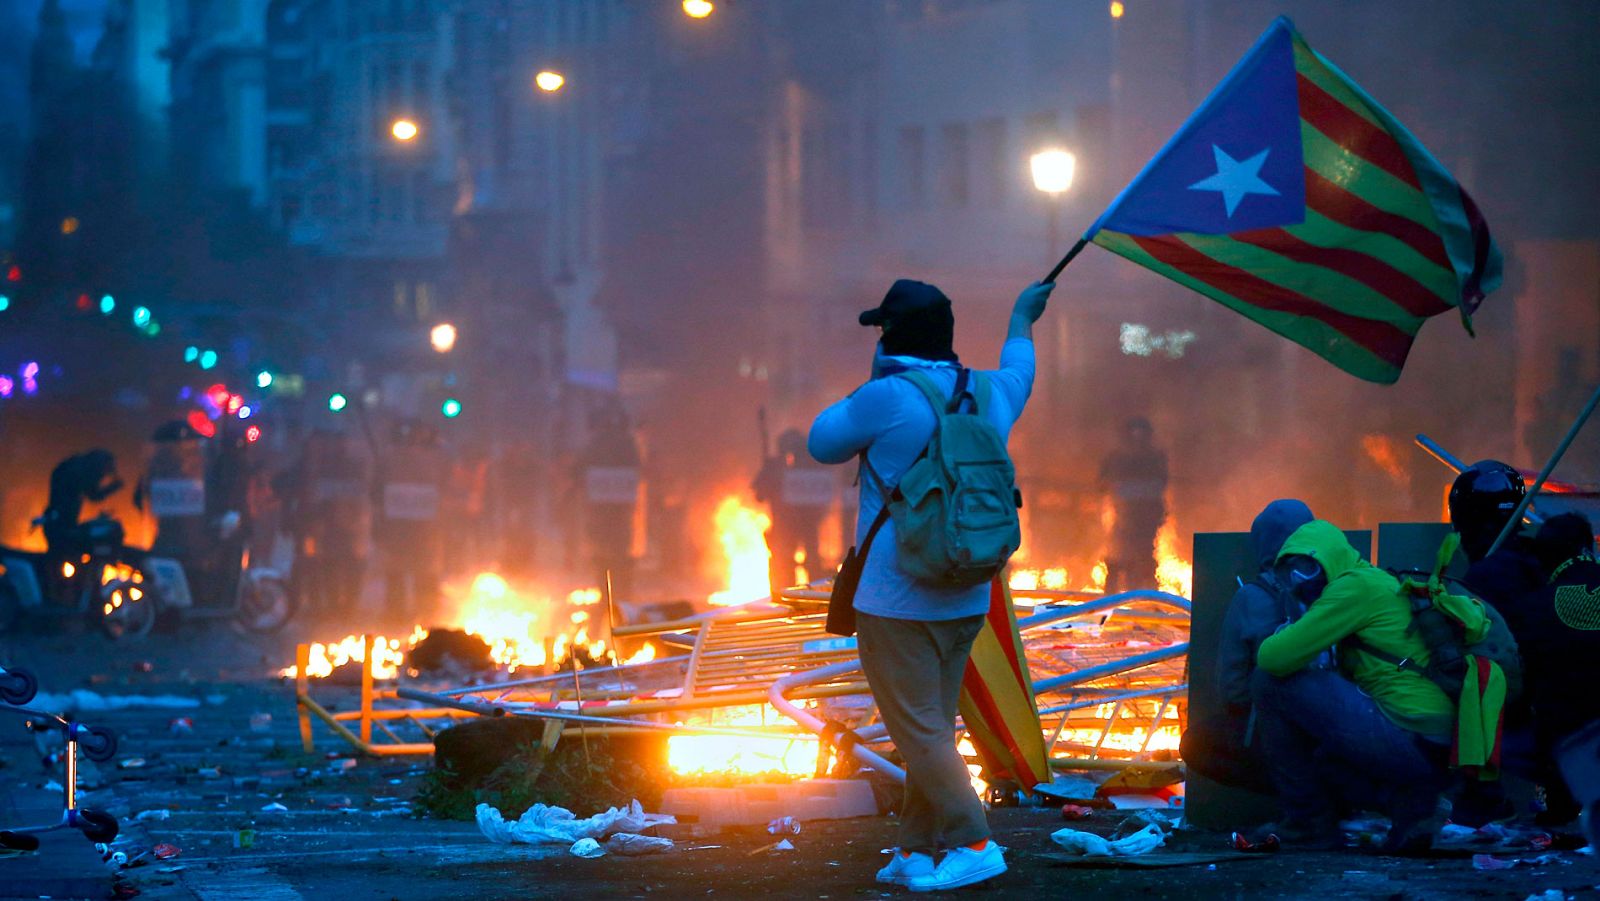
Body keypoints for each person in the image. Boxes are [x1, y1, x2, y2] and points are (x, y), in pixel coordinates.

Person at [808, 276, 1053, 892]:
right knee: (931, 729)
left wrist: (875, 377)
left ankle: (974, 842)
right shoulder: (989, 393)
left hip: (896, 597)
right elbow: (1020, 372)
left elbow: (820, 442)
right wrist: (1022, 319)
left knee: (918, 730)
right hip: (969, 590)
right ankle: (915, 850)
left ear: (890, 336)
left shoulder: (887, 396)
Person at [1253, 519, 1470, 853]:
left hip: (1412, 735)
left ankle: (1308, 824)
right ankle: (1412, 806)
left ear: (1330, 558)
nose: (1300, 580)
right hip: (1432, 743)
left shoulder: (1353, 587)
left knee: (1269, 682)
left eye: (1308, 567)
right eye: (1290, 573)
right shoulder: (1373, 581)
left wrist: (1282, 632)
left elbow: (1272, 658)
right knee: (1324, 759)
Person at [1181, 499, 1315, 794]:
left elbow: (1232, 689)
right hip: (1337, 731)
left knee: (1195, 744)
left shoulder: (1251, 598)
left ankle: (1296, 799)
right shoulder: (1341, 588)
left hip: (1279, 733)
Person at [374, 420, 445, 621]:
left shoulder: (436, 460)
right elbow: (377, 493)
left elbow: (443, 490)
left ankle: (427, 613)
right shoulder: (389, 460)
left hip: (425, 525)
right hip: (397, 525)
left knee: (426, 570)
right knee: (396, 569)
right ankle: (395, 612)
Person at [753, 428, 832, 596]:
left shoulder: (811, 467)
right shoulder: (775, 467)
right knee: (784, 564)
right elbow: (759, 494)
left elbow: (825, 494)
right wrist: (772, 481)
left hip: (806, 523)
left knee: (810, 562)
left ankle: (811, 595)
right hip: (785, 525)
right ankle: (785, 595)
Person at [1099, 416, 1168, 594]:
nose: (1137, 439)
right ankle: (1116, 596)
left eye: (1141, 434)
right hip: (1123, 517)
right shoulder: (1116, 458)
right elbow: (1102, 484)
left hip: (1145, 519)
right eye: (1134, 434)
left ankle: (1143, 596)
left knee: (1143, 558)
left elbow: (1160, 484)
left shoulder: (1155, 458)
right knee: (1118, 556)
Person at [42, 449, 125, 557]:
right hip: (61, 523)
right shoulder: (82, 471)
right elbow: (94, 495)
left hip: (56, 520)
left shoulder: (74, 467)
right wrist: (113, 487)